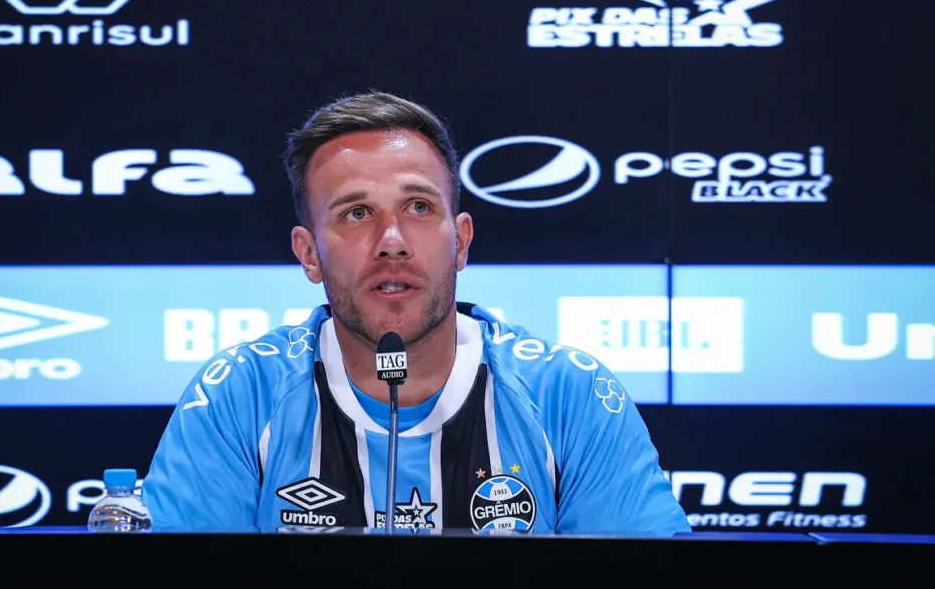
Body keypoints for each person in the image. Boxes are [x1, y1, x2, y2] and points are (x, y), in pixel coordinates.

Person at [141, 91, 690, 535]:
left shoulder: (566, 393)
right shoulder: (242, 394)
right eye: (357, 213)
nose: (393, 241)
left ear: (462, 241)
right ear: (309, 254)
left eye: (419, 207)